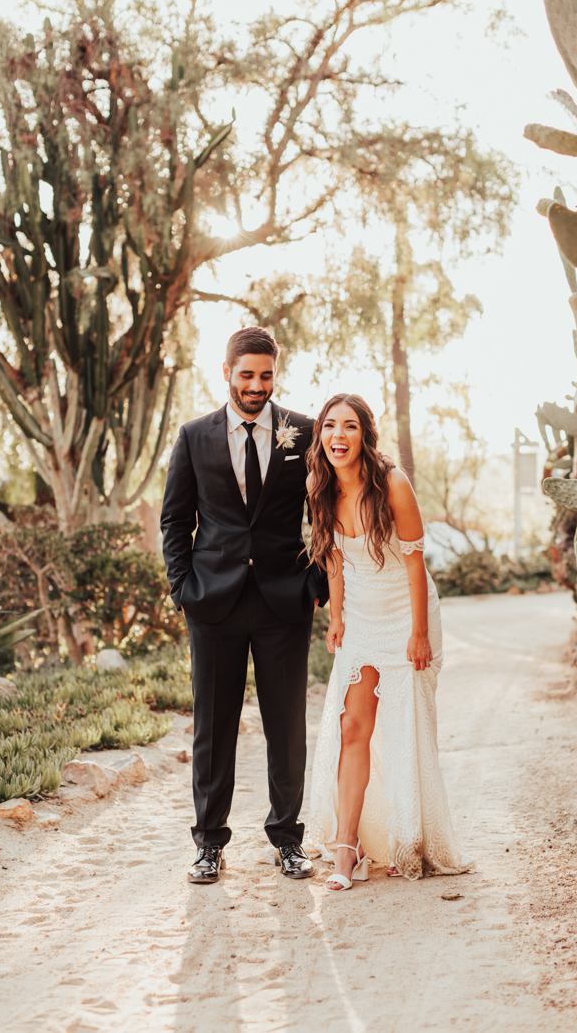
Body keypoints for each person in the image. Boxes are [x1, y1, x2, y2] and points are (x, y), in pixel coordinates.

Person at [161, 326, 327, 885]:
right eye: (247, 375)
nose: (256, 385)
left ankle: (287, 839)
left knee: (287, 726)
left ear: (275, 375)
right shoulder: (192, 436)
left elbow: (327, 510)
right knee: (214, 727)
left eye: (266, 375)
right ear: (227, 374)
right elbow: (175, 521)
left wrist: (318, 583)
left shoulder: (302, 433)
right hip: (214, 604)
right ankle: (209, 844)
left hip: (285, 601)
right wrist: (183, 588)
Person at [306, 393, 472, 891]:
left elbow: (416, 564)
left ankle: (407, 838)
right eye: (330, 426)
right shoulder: (319, 487)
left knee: (405, 729)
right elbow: (334, 560)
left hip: (406, 614)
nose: (339, 436)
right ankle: (346, 850)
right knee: (352, 727)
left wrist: (419, 632)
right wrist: (336, 618)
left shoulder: (392, 484)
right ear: (321, 436)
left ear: (365, 435)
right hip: (359, 619)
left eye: (350, 426)